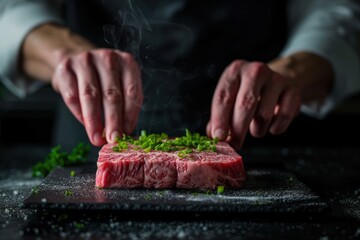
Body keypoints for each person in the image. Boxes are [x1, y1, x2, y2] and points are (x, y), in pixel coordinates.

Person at [0, 0, 359, 151]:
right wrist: (64, 53)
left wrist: (295, 69)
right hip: (91, 144)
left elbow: (335, 8)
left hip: (263, 137)